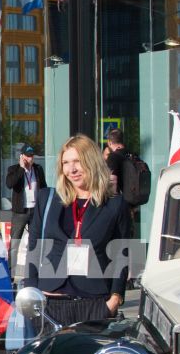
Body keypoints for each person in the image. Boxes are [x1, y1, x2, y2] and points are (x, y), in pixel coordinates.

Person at [22, 133, 133, 328]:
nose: (71, 169)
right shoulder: (47, 199)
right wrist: (31, 293)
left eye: (77, 161)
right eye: (66, 163)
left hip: (94, 304)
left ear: (92, 162)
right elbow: (34, 248)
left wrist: (115, 300)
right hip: (50, 304)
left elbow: (121, 255)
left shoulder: (116, 205)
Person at [4, 143, 47, 272]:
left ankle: (33, 272)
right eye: (27, 156)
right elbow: (9, 184)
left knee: (35, 242)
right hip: (20, 212)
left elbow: (43, 187)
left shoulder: (38, 169)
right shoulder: (13, 169)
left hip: (35, 211)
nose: (30, 159)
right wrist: (21, 169)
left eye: (32, 156)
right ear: (21, 156)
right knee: (15, 244)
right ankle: (11, 275)